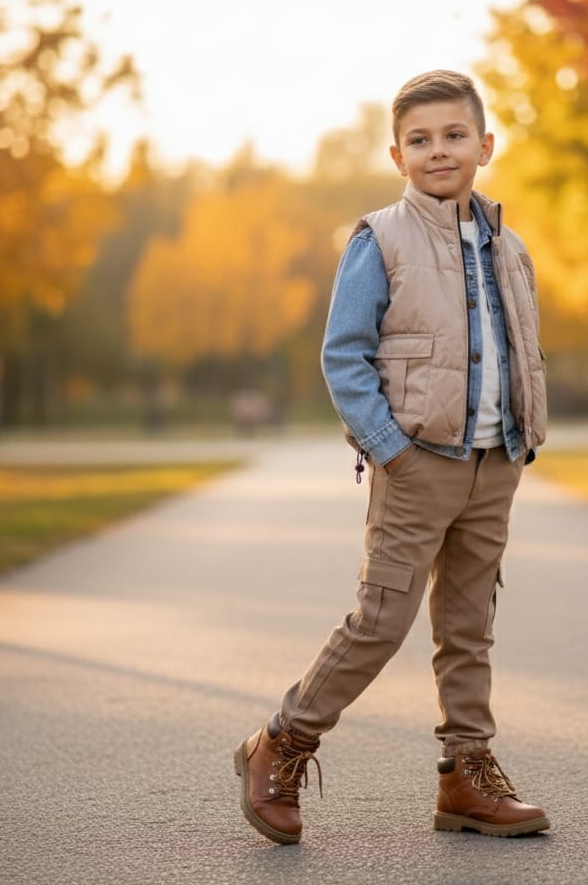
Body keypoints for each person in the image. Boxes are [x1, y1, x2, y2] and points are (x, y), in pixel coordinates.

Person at [233, 70, 549, 844]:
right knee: (381, 620)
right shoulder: (382, 238)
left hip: (492, 465)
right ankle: (282, 741)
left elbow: (520, 351)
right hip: (416, 463)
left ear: (485, 144)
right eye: (420, 140)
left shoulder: (511, 247)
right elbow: (345, 357)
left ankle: (465, 777)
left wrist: (523, 436)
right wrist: (392, 453)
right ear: (396, 154)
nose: (438, 150)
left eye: (452, 135)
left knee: (469, 627)